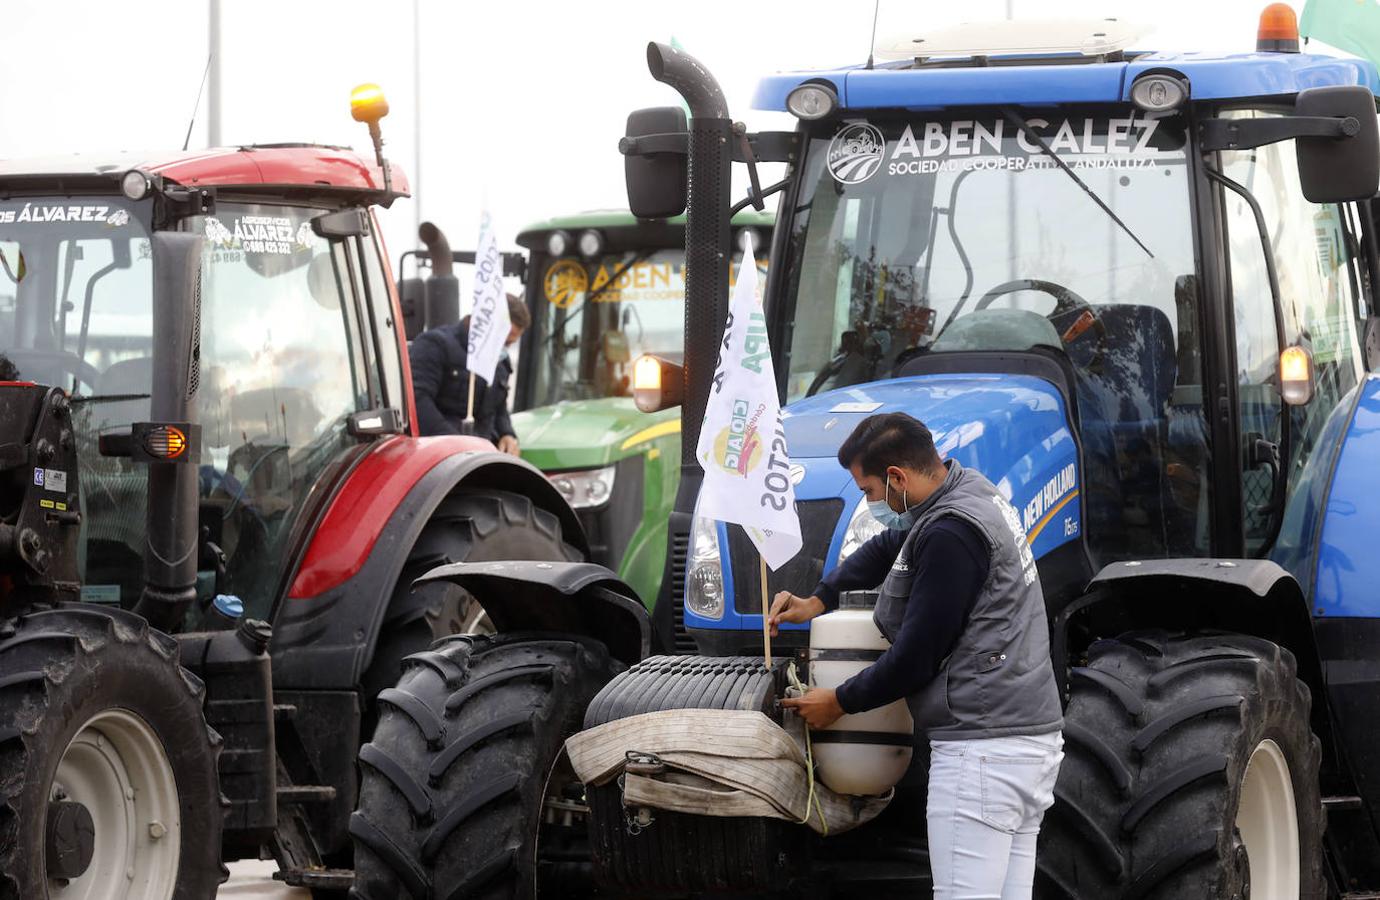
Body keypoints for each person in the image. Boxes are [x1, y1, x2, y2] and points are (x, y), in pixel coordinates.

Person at [773, 412, 1064, 900]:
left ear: (897, 478)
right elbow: (892, 543)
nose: (873, 503)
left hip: (982, 753)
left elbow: (915, 659)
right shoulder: (970, 492)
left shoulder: (951, 536)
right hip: (1027, 742)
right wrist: (821, 598)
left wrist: (838, 702)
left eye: (868, 492)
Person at [409, 294, 529, 453]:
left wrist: (507, 434)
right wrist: (456, 446)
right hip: (438, 457)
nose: (504, 349)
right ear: (485, 323)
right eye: (504, 341)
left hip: (483, 456)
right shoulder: (435, 345)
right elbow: (417, 401)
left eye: (509, 344)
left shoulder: (500, 364)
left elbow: (499, 408)